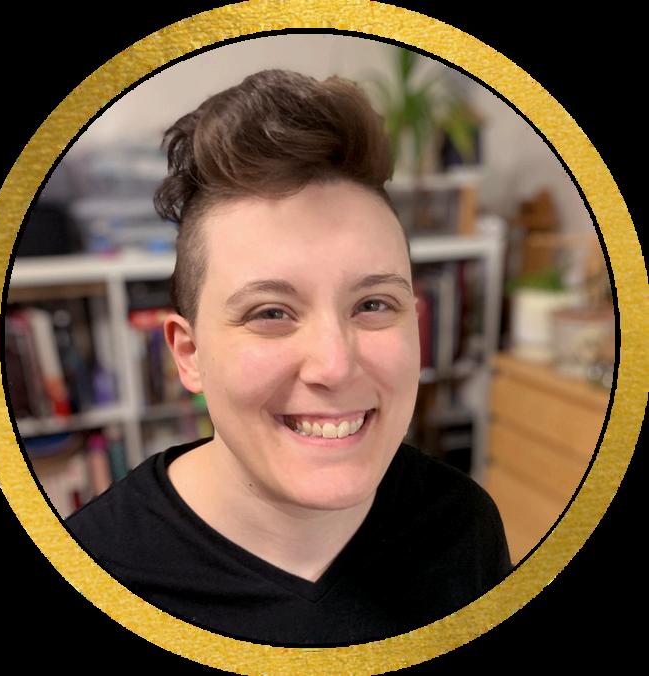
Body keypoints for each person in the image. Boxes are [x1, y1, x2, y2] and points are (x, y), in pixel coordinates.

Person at [66, 69, 512, 646]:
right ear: (189, 354)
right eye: (271, 312)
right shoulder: (96, 573)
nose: (334, 365)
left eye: (373, 304)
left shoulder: (463, 525)